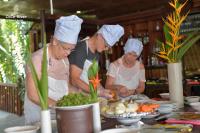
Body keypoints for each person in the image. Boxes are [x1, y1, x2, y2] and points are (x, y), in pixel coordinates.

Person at [24, 15, 83, 124]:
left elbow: (66, 87)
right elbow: (33, 94)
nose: (68, 53)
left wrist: (81, 95)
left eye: (71, 50)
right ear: (55, 41)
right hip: (39, 118)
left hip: (60, 116)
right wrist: (59, 106)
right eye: (66, 48)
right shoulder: (37, 59)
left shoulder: (65, 61)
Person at [69, 24, 124, 98]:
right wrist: (97, 92)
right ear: (99, 36)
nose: (106, 49)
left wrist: (103, 91)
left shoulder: (97, 53)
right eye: (106, 45)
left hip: (90, 96)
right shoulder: (81, 49)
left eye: (108, 47)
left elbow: (93, 79)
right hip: (77, 97)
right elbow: (74, 80)